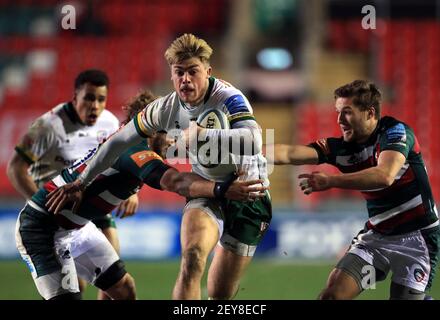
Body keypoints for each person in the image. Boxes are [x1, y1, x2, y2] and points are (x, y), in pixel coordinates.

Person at [46, 33, 272, 300]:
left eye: (192, 71)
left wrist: (204, 135)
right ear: (171, 74)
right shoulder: (164, 108)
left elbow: (254, 140)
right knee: (192, 258)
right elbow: (116, 143)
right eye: (179, 72)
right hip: (208, 189)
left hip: (248, 194)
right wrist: (81, 182)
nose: (185, 79)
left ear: (208, 71)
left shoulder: (228, 97)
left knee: (219, 293)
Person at [17, 89, 266, 300]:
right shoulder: (136, 152)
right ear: (153, 131)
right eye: (168, 132)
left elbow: (114, 173)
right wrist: (221, 189)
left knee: (125, 290)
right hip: (42, 227)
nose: (173, 139)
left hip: (77, 228)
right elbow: (175, 181)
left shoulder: (130, 145)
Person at [270, 80, 440, 300]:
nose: (339, 120)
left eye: (347, 113)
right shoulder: (341, 148)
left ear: (370, 113)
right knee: (332, 296)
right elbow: (290, 153)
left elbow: (384, 175)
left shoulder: (395, 132)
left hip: (417, 239)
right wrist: (249, 152)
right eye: (338, 112)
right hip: (376, 240)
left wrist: (331, 181)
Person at [7, 69, 138, 300]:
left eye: (101, 99)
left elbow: (118, 158)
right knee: (74, 289)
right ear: (75, 96)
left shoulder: (108, 122)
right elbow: (16, 167)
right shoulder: (47, 126)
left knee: (118, 282)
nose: (95, 106)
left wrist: (131, 193)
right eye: (89, 98)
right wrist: (42, 202)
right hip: (54, 216)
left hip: (87, 210)